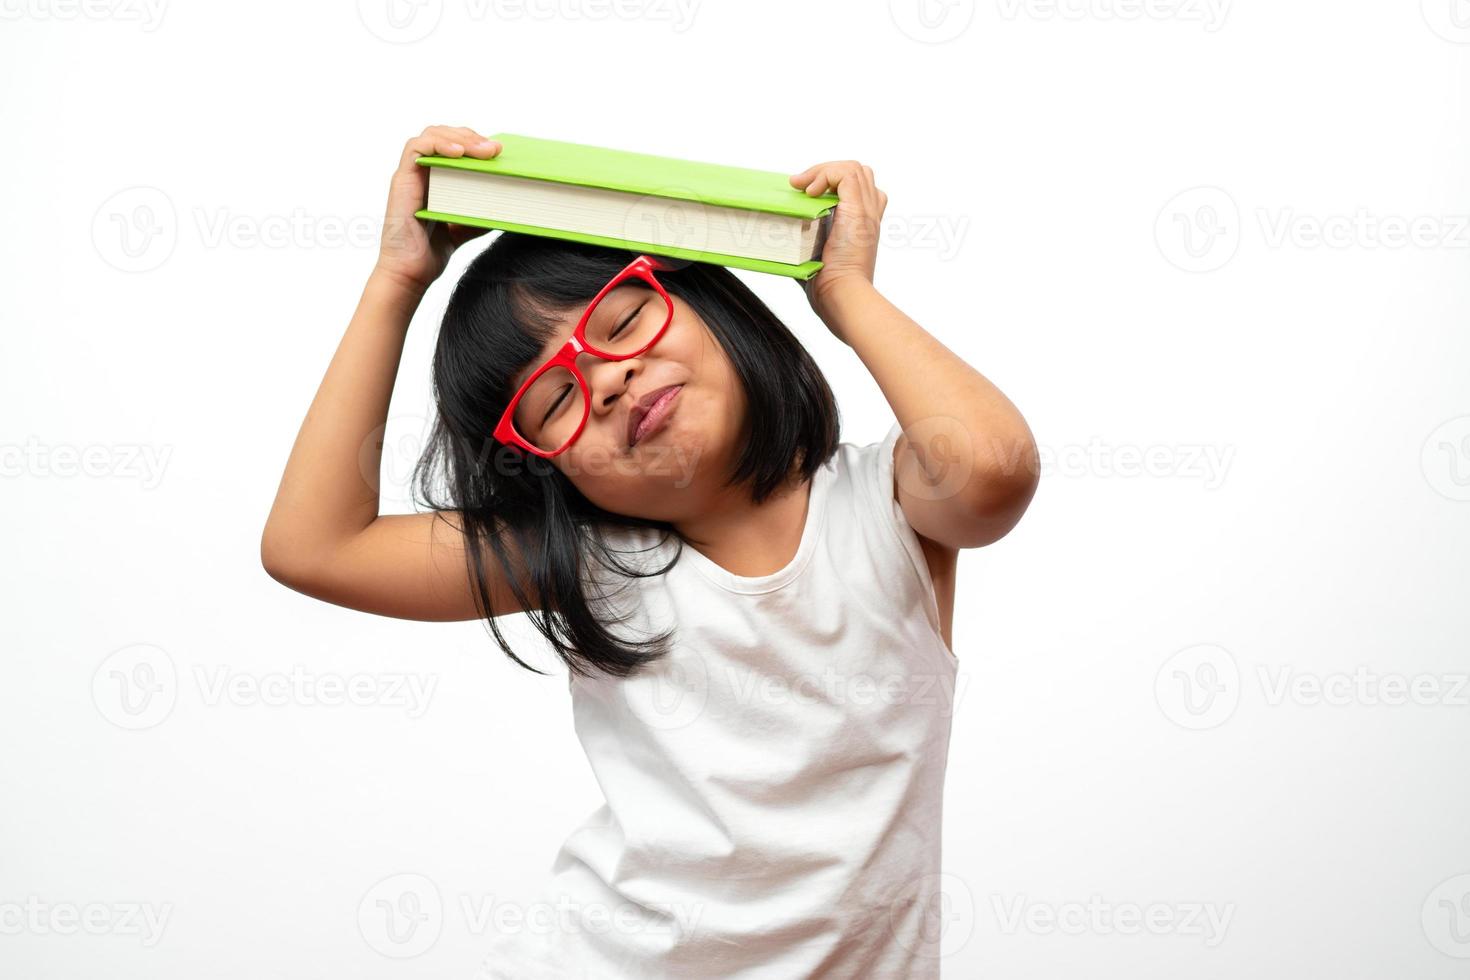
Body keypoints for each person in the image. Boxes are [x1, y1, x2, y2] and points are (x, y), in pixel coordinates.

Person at [260, 124, 1040, 978]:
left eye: (626, 318)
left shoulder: (884, 507)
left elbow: (994, 468)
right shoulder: (600, 558)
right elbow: (315, 547)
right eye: (553, 399)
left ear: (714, 304)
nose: (607, 377)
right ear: (545, 470)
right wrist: (395, 282)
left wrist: (845, 290)